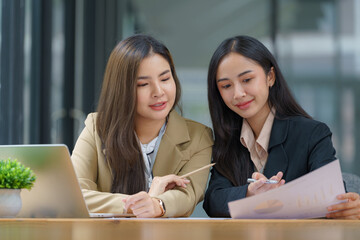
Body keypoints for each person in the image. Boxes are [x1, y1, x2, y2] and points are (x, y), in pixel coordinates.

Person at [203, 35, 360, 219]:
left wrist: (349, 207)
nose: (238, 94)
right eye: (226, 85)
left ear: (270, 76)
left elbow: (332, 194)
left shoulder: (312, 134)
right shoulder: (228, 140)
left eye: (247, 80)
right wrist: (250, 194)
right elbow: (213, 201)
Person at [71, 34, 213, 218]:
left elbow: (188, 195)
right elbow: (74, 195)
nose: (159, 92)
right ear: (121, 89)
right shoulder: (96, 128)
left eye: (165, 79)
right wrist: (138, 204)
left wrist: (158, 204)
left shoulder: (199, 136)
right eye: (143, 84)